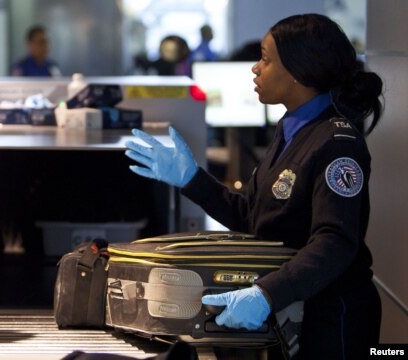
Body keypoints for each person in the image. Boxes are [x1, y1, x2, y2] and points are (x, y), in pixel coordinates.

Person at [125, 13, 383, 359]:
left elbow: (335, 242)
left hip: (332, 318)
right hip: (292, 309)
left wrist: (267, 294)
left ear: (298, 70)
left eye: (265, 58)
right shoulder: (291, 130)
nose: (255, 69)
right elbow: (252, 215)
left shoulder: (337, 142)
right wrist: (193, 180)